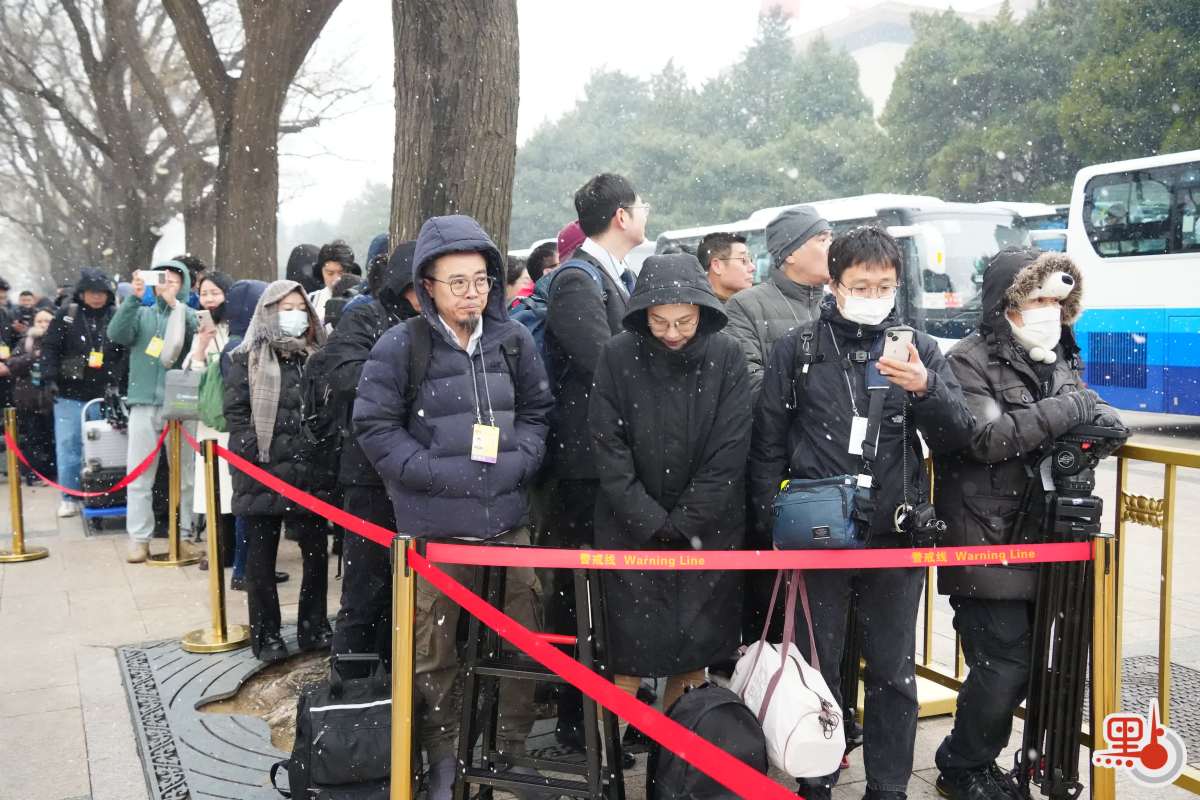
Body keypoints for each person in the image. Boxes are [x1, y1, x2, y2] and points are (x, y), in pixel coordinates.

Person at [750, 226, 973, 800]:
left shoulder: (918, 349)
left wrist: (926, 388)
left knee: (893, 671)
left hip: (894, 533)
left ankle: (889, 786)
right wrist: (768, 523)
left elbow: (957, 436)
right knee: (815, 665)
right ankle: (816, 777)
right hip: (817, 533)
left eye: (884, 285)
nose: (873, 295)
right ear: (835, 284)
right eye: (860, 285)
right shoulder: (798, 348)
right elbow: (768, 442)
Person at [354, 214, 553, 800]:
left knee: (523, 642)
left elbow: (539, 412)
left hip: (508, 527)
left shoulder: (513, 340)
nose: (472, 293)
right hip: (435, 534)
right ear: (427, 287)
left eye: (481, 280)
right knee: (432, 652)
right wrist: (432, 474)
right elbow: (374, 427)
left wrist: (521, 460)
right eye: (457, 282)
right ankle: (444, 755)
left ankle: (509, 749)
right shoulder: (401, 346)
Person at [932, 249, 1120, 800]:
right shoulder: (966, 361)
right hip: (984, 536)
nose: (1048, 310)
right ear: (1007, 302)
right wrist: (1070, 411)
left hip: (1047, 533)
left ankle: (985, 760)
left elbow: (1097, 411)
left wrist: (1096, 420)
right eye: (1036, 299)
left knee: (1033, 660)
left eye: (1056, 301)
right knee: (1004, 664)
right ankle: (961, 767)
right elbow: (982, 439)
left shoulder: (1058, 356)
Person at [589, 252, 750, 712]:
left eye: (684, 321)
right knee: (626, 657)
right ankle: (613, 751)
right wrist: (648, 518)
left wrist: (685, 521)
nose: (673, 333)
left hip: (707, 530)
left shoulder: (726, 355)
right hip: (629, 530)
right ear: (643, 314)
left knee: (693, 658)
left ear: (702, 311)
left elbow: (729, 449)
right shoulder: (617, 354)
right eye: (659, 322)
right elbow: (608, 445)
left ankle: (679, 748)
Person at [542, 173, 648, 748]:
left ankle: (605, 713)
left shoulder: (610, 275)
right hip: (584, 467)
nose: (646, 212)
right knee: (579, 596)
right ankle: (577, 720)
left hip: (605, 462)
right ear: (621, 217)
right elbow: (605, 364)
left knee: (607, 596)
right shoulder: (577, 281)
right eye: (640, 205)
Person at [224, 280, 334, 662]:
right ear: (269, 312)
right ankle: (266, 634)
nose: (295, 315)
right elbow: (236, 414)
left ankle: (314, 626)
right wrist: (256, 453)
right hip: (262, 472)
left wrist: (319, 449)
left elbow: (326, 411)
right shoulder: (246, 358)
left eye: (300, 308)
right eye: (286, 308)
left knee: (316, 554)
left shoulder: (316, 357)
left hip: (309, 471)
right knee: (261, 560)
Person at [329, 241, 419, 673]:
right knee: (365, 587)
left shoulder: (443, 324)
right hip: (369, 473)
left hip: (422, 474)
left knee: (410, 591)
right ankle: (351, 685)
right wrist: (410, 378)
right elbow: (346, 376)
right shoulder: (366, 317)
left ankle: (395, 681)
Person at [107, 261, 197, 562]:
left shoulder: (189, 313)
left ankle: (185, 535)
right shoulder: (142, 313)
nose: (167, 284)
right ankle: (139, 539)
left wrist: (176, 306)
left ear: (184, 285)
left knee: (185, 476)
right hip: (143, 402)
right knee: (139, 475)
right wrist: (133, 298)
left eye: (174, 280)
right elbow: (117, 333)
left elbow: (195, 334)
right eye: (162, 279)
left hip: (181, 403)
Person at [725, 205, 832, 399]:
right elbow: (745, 380)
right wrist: (817, 399)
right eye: (822, 240)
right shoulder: (745, 306)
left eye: (831, 239)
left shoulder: (836, 303)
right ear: (790, 254)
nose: (832, 248)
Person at [40, 268, 123, 517]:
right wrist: (49, 378)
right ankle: (70, 496)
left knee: (104, 448)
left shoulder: (116, 316)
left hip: (105, 393)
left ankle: (103, 493)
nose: (97, 297)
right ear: (82, 293)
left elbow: (124, 351)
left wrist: (118, 380)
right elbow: (50, 347)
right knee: (69, 446)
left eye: (101, 292)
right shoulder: (67, 314)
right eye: (91, 292)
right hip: (69, 392)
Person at [183, 272, 235, 572]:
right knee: (214, 487)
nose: (209, 299)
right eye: (204, 294)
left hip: (235, 419)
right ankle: (220, 549)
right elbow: (192, 376)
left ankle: (237, 553)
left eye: (215, 292)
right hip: (210, 424)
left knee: (234, 487)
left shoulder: (238, 326)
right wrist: (201, 347)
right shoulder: (200, 331)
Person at [8, 308, 57, 484]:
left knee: (52, 438)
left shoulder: (58, 340)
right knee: (33, 438)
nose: (43, 325)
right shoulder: (26, 342)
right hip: (29, 399)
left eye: (47, 321)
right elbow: (13, 364)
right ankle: (34, 473)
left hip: (52, 398)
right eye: (40, 321)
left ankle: (51, 472)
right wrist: (33, 357)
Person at [308, 240, 359, 324]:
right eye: (330, 273)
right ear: (321, 271)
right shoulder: (311, 300)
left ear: (350, 272)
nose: (336, 279)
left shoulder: (360, 299)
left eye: (341, 273)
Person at [697, 232, 755, 303]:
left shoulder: (748, 301)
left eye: (750, 259)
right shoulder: (700, 307)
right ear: (717, 266)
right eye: (744, 260)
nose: (753, 268)